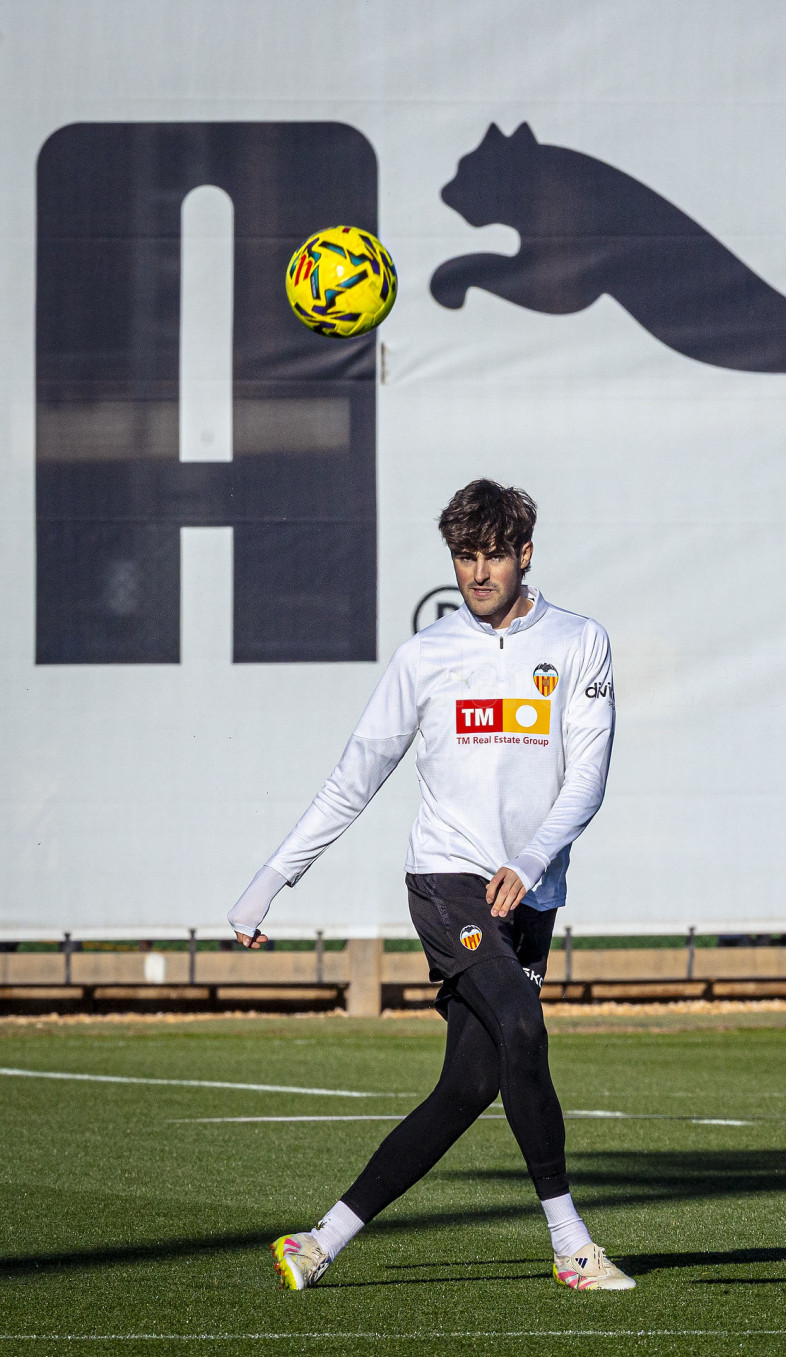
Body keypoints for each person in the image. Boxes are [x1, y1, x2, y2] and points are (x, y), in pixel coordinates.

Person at [227, 479, 632, 1293]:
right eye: (464, 556)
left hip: (530, 892)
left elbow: (588, 777)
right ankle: (571, 1244)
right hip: (448, 880)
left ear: (525, 554)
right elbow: (354, 777)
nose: (478, 572)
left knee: (469, 1085)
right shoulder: (425, 657)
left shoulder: (581, 641)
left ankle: (318, 1241)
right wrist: (272, 877)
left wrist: (532, 860)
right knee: (522, 1025)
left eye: (494, 555)